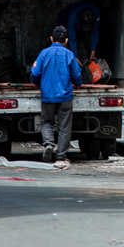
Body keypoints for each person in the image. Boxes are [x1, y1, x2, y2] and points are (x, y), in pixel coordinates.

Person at [31, 26, 85, 164]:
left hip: (48, 95)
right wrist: (77, 83)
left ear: (51, 38)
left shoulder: (44, 53)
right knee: (64, 126)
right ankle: (61, 155)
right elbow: (77, 76)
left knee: (46, 122)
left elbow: (35, 74)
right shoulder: (69, 54)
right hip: (65, 96)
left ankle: (49, 144)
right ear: (66, 40)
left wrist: (36, 82)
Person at [56, 0, 100, 64]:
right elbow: (72, 37)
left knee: (83, 40)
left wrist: (93, 50)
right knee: (64, 41)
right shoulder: (73, 17)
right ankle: (64, 61)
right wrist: (75, 57)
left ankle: (84, 59)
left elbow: (94, 32)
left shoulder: (96, 13)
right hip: (64, 20)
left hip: (80, 23)